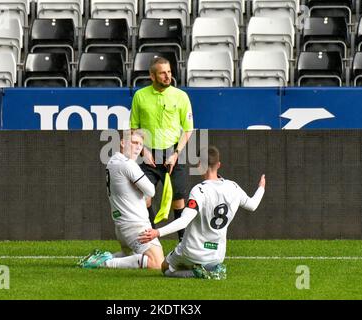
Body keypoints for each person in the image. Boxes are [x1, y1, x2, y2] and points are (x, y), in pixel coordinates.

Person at [138, 145, 266, 279]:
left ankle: (195, 273)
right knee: (194, 262)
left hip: (191, 252)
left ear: (199, 165)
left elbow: (184, 221)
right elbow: (253, 205)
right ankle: (209, 270)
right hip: (217, 256)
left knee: (165, 268)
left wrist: (157, 232)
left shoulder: (199, 190)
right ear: (219, 165)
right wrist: (261, 188)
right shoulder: (233, 187)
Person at [78, 130, 164, 270]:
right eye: (134, 142)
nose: (138, 147)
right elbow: (151, 190)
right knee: (157, 263)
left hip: (122, 228)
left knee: (128, 254)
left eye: (141, 144)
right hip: (135, 226)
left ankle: (106, 257)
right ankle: (105, 263)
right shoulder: (127, 164)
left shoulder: (112, 161)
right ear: (123, 143)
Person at [130, 56, 194, 241]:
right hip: (148, 154)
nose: (167, 76)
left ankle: (183, 244)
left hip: (174, 154)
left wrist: (175, 154)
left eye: (169, 72)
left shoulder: (181, 96)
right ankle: (152, 242)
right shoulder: (140, 96)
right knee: (144, 199)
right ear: (152, 76)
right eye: (162, 73)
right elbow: (134, 128)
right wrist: (143, 151)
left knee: (178, 200)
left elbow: (188, 129)